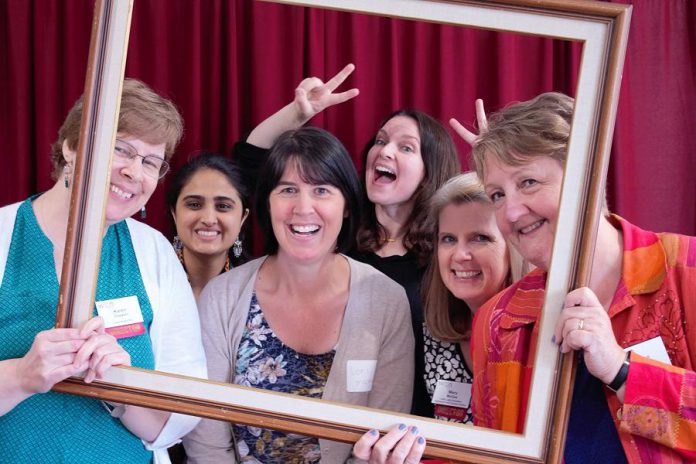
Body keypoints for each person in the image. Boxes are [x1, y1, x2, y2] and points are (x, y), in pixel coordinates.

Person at [462, 92, 696, 462]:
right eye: (496, 194)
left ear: (586, 173)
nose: (511, 212)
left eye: (528, 182)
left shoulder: (687, 271)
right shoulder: (497, 320)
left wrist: (622, 371)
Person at [234, 64, 461, 420]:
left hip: (408, 434)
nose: (385, 151)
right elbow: (250, 161)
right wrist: (297, 113)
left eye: (406, 147)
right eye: (382, 141)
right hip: (328, 423)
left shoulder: (446, 256)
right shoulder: (335, 232)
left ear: (431, 170)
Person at [0, 78, 207, 463]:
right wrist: (21, 376)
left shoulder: (154, 253)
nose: (134, 172)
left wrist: (121, 387)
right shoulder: (3, 234)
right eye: (121, 149)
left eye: (150, 162)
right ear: (72, 147)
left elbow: (176, 420)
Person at [183, 127, 414, 463]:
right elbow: (206, 441)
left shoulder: (387, 301)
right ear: (268, 201)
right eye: (288, 189)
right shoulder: (223, 297)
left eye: (321, 190)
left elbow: (382, 438)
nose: (303, 208)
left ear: (347, 204)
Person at [352, 173, 527, 462]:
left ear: (514, 247)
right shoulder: (433, 335)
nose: (460, 254)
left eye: (480, 238)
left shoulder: (540, 338)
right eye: (448, 239)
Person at [166, 152, 250, 298]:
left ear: (243, 217)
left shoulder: (256, 287)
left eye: (223, 206)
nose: (209, 219)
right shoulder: (148, 278)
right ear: (174, 213)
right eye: (194, 204)